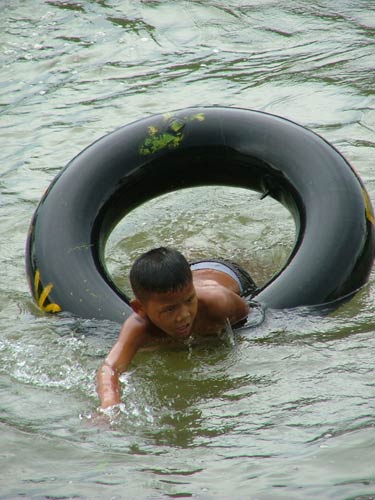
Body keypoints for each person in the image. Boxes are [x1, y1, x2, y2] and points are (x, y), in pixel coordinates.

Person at [96, 247, 256, 409]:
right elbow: (110, 367)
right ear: (139, 308)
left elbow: (253, 317)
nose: (183, 315)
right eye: (169, 309)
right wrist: (109, 404)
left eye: (189, 301)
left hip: (228, 273)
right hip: (185, 276)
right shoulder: (139, 327)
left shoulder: (216, 303)